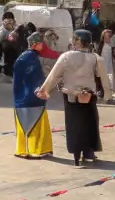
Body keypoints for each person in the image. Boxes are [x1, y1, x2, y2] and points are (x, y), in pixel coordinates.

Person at [37, 30, 104, 164]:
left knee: (74, 124)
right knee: (90, 123)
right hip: (89, 95)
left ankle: (76, 154)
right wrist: (107, 94)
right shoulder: (95, 57)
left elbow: (54, 75)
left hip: (71, 95)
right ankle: (88, 152)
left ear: (77, 40)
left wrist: (44, 89)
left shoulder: (66, 56)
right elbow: (102, 77)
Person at [11, 34, 53, 160]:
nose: (42, 45)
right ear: (35, 44)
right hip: (32, 97)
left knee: (27, 122)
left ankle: (23, 149)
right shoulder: (30, 58)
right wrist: (39, 90)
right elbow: (34, 79)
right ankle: (33, 150)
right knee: (34, 122)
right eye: (40, 43)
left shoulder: (25, 57)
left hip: (21, 97)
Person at [0, 12, 24, 84]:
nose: (9, 24)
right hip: (4, 49)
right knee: (8, 49)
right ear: (3, 22)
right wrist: (9, 37)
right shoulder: (0, 31)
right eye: (7, 22)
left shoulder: (16, 27)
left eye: (11, 21)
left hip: (16, 48)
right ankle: (6, 73)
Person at [98, 29, 115, 100]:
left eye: (109, 36)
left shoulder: (111, 44)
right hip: (103, 65)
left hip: (110, 65)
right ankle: (103, 92)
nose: (108, 38)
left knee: (110, 78)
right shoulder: (102, 45)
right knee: (104, 78)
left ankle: (109, 93)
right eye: (106, 36)